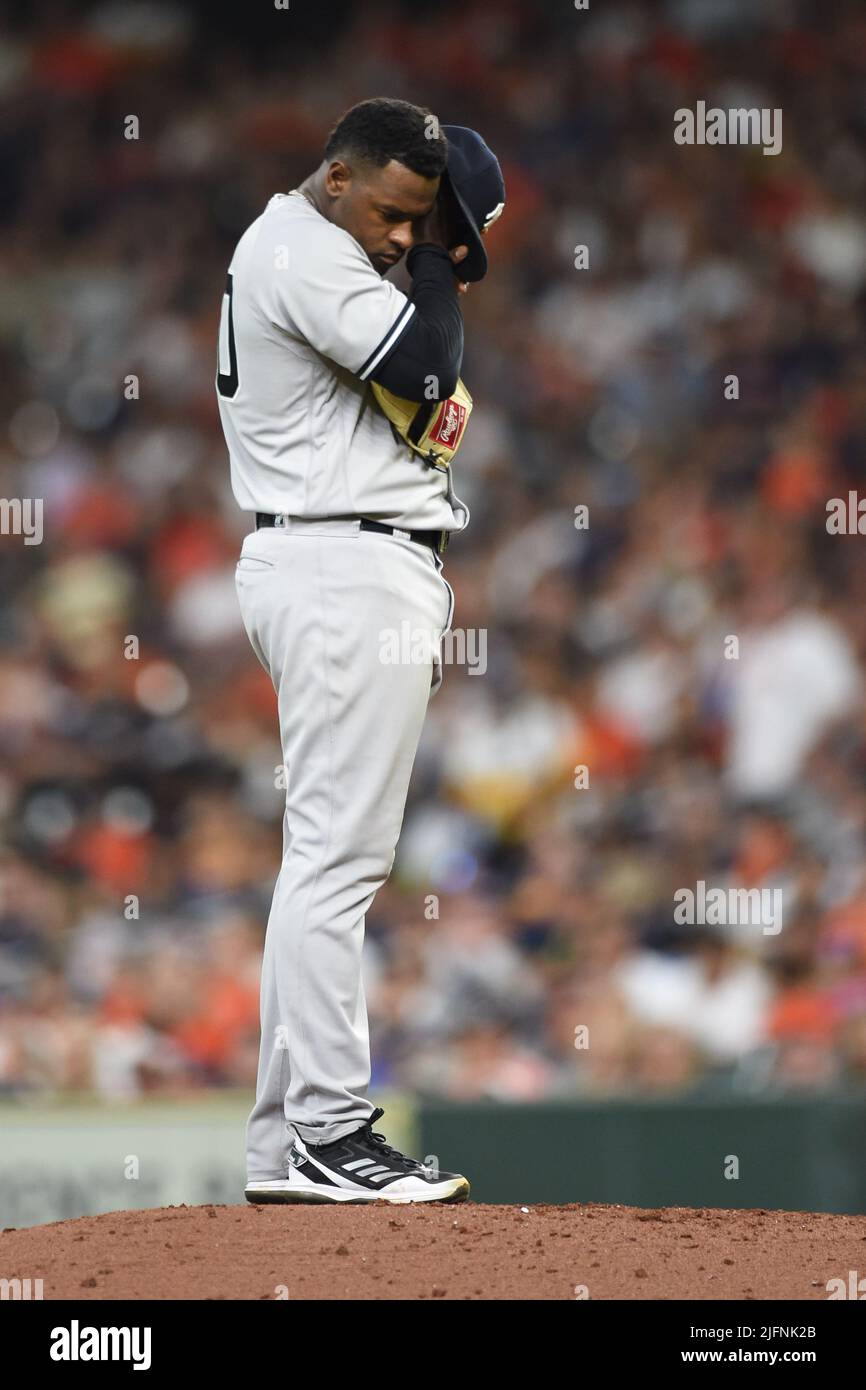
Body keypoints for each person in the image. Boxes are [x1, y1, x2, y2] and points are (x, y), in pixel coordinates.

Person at [215, 96, 504, 1203]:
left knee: (325, 859)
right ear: (337, 177)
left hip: (355, 561)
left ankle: (284, 1141)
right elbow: (430, 367)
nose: (401, 235)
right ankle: (329, 1132)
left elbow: (422, 414)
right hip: (336, 563)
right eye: (392, 212)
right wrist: (439, 254)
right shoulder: (300, 245)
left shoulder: (319, 252)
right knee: (337, 863)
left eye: (417, 220)